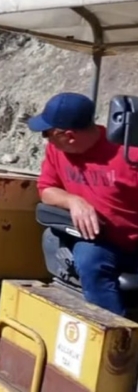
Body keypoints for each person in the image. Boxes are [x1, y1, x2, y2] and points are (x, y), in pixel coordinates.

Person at [29, 92, 138, 316]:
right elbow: (46, 190)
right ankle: (115, 338)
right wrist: (73, 201)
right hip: (103, 244)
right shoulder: (56, 151)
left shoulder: (128, 154)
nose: (46, 139)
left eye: (48, 134)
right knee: (90, 259)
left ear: (69, 135)